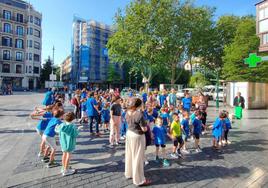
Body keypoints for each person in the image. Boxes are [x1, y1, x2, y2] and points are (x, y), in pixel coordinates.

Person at [125, 97, 151, 186]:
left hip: (129, 133)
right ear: (138, 105)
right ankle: (139, 180)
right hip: (137, 136)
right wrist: (147, 126)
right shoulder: (139, 114)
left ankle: (129, 173)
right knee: (138, 158)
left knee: (130, 155)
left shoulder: (127, 112)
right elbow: (144, 129)